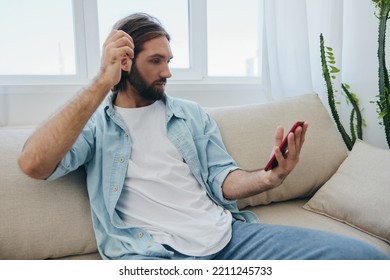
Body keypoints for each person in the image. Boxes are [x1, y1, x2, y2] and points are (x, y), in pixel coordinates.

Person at [18, 13, 388, 260]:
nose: (168, 71)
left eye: (169, 60)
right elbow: (33, 163)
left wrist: (269, 176)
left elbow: (221, 179)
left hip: (230, 239)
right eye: (156, 61)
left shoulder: (189, 115)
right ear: (125, 63)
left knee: (365, 259)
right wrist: (101, 81)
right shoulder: (98, 125)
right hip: (153, 256)